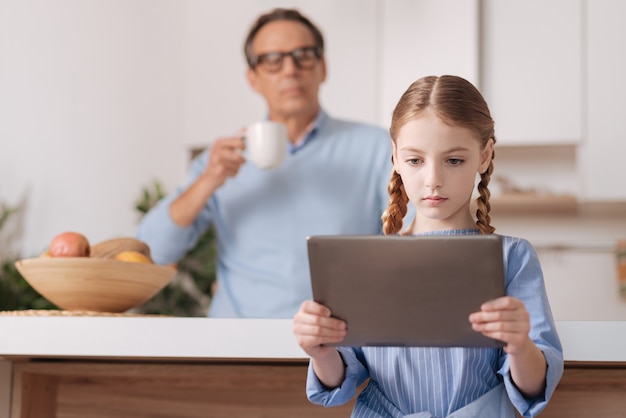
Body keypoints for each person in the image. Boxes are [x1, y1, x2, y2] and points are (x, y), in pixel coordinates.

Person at [293, 75, 564, 417]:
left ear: (485, 155)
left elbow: (533, 388)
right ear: (394, 157)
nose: (433, 179)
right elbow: (340, 378)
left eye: (453, 160)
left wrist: (520, 344)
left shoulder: (512, 257)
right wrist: (319, 350)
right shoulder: (365, 262)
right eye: (415, 160)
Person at [137, 8, 394, 318]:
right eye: (272, 60)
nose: (290, 70)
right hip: (238, 347)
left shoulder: (378, 148)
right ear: (253, 79)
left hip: (342, 348)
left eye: (304, 55)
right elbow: (151, 251)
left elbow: (416, 246)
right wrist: (208, 180)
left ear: (323, 67)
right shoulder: (220, 161)